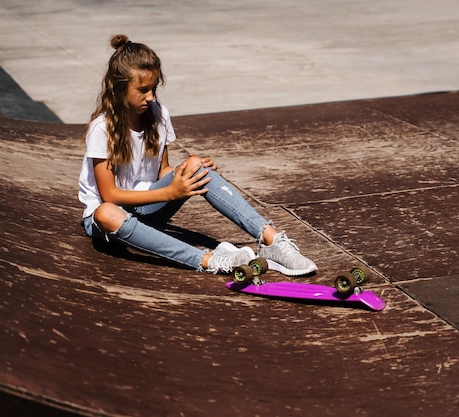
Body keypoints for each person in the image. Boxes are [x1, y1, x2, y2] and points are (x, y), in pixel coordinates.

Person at [78, 34, 317, 276]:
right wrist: (169, 192)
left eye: (153, 88)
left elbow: (162, 172)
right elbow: (109, 195)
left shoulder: (157, 114)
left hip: (148, 206)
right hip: (111, 218)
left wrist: (194, 171)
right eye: (142, 90)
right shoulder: (103, 128)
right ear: (119, 88)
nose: (150, 97)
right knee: (105, 212)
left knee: (195, 165)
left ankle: (271, 241)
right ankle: (207, 260)